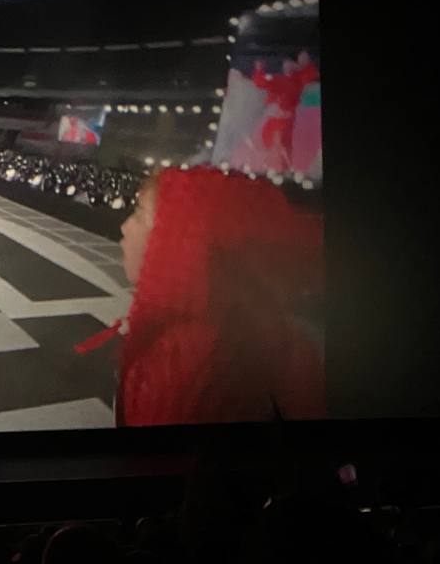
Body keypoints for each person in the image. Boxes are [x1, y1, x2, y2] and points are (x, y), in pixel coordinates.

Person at [85, 166, 325, 426]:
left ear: (185, 243)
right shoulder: (271, 337)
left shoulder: (184, 369)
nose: (125, 226)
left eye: (141, 214)